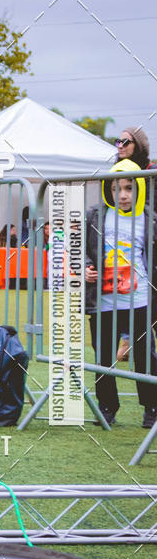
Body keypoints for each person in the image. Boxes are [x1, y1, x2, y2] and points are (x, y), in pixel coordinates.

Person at [85, 158, 157, 428]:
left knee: (144, 355)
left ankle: (151, 407)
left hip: (139, 301)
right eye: (117, 189)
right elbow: (80, 251)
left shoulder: (148, 219)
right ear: (108, 190)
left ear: (138, 188)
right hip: (103, 301)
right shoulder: (95, 215)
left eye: (129, 188)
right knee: (103, 355)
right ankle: (107, 407)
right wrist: (87, 269)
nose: (123, 194)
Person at [113, 128, 153, 361]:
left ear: (138, 145)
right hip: (122, 247)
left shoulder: (150, 171)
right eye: (117, 141)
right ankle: (128, 337)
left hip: (148, 247)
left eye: (125, 141)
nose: (120, 145)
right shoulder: (113, 171)